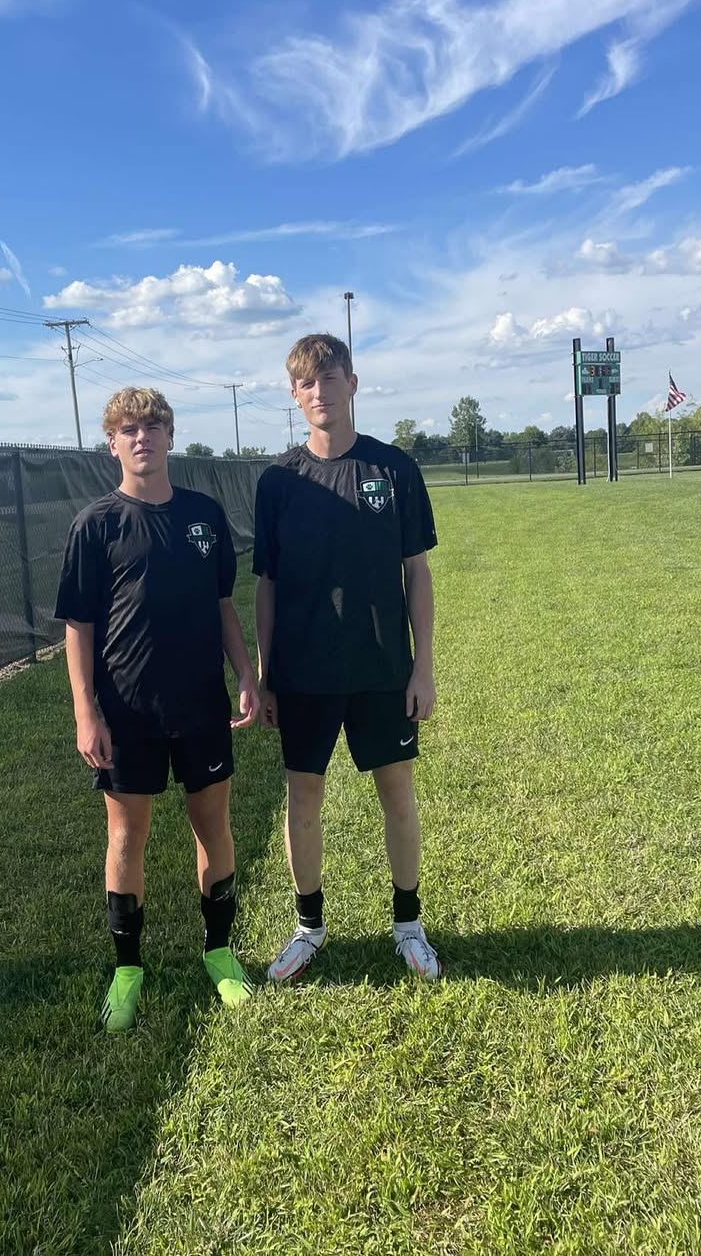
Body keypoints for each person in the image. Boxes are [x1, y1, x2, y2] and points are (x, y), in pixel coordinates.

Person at [55, 387, 260, 1032]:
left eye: (153, 426)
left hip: (201, 705)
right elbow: (78, 625)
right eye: (129, 429)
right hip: (128, 712)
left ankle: (219, 952)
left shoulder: (204, 514)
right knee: (126, 836)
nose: (142, 437)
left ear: (171, 436)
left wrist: (246, 673)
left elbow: (223, 606)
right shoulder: (96, 524)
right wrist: (86, 711)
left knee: (213, 826)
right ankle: (128, 969)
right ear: (112, 444)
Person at [253, 334, 440, 982]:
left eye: (330, 378)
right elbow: (267, 584)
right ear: (294, 395)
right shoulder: (279, 481)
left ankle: (408, 925)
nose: (320, 391)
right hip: (303, 673)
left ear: (352, 384)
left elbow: (417, 573)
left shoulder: (394, 469)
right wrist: (265, 675)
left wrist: (423, 667)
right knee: (302, 796)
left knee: (398, 794)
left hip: (382, 667)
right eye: (307, 382)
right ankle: (309, 928)